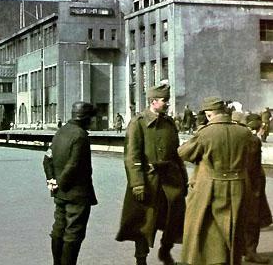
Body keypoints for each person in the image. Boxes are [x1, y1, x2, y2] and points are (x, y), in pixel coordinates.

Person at [116, 84, 188, 265]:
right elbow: (132, 156)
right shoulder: (138, 123)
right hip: (148, 181)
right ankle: (141, 259)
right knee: (144, 222)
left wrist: (183, 180)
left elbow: (176, 155)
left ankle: (166, 253)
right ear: (152, 101)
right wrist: (137, 183)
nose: (167, 104)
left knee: (173, 219)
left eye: (167, 100)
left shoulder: (169, 123)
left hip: (170, 182)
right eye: (164, 101)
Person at [177, 96, 254, 265]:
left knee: (205, 229)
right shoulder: (243, 132)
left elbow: (183, 153)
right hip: (238, 186)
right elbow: (252, 152)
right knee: (233, 229)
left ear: (208, 113)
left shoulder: (205, 133)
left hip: (210, 187)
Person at [43, 101, 98, 265]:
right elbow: (73, 165)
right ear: (86, 118)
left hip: (59, 194)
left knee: (59, 228)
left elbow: (47, 159)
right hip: (77, 194)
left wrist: (51, 181)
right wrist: (60, 183)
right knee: (73, 233)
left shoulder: (61, 132)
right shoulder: (80, 136)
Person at [241, 113, 272, 263]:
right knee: (253, 219)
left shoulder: (241, 138)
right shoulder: (253, 141)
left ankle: (242, 250)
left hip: (241, 184)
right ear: (259, 127)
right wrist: (256, 189)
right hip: (253, 187)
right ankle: (251, 251)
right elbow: (253, 167)